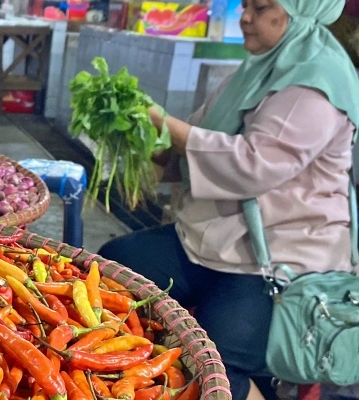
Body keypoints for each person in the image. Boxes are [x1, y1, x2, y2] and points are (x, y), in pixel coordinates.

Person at [96, 1, 359, 400]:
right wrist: (150, 148)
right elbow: (203, 133)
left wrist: (162, 123)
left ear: (300, 11)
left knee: (209, 360)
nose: (245, 17)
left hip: (276, 259)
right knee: (114, 266)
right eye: (245, 5)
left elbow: (254, 165)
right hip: (212, 239)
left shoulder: (317, 82)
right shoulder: (257, 69)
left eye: (261, 7)